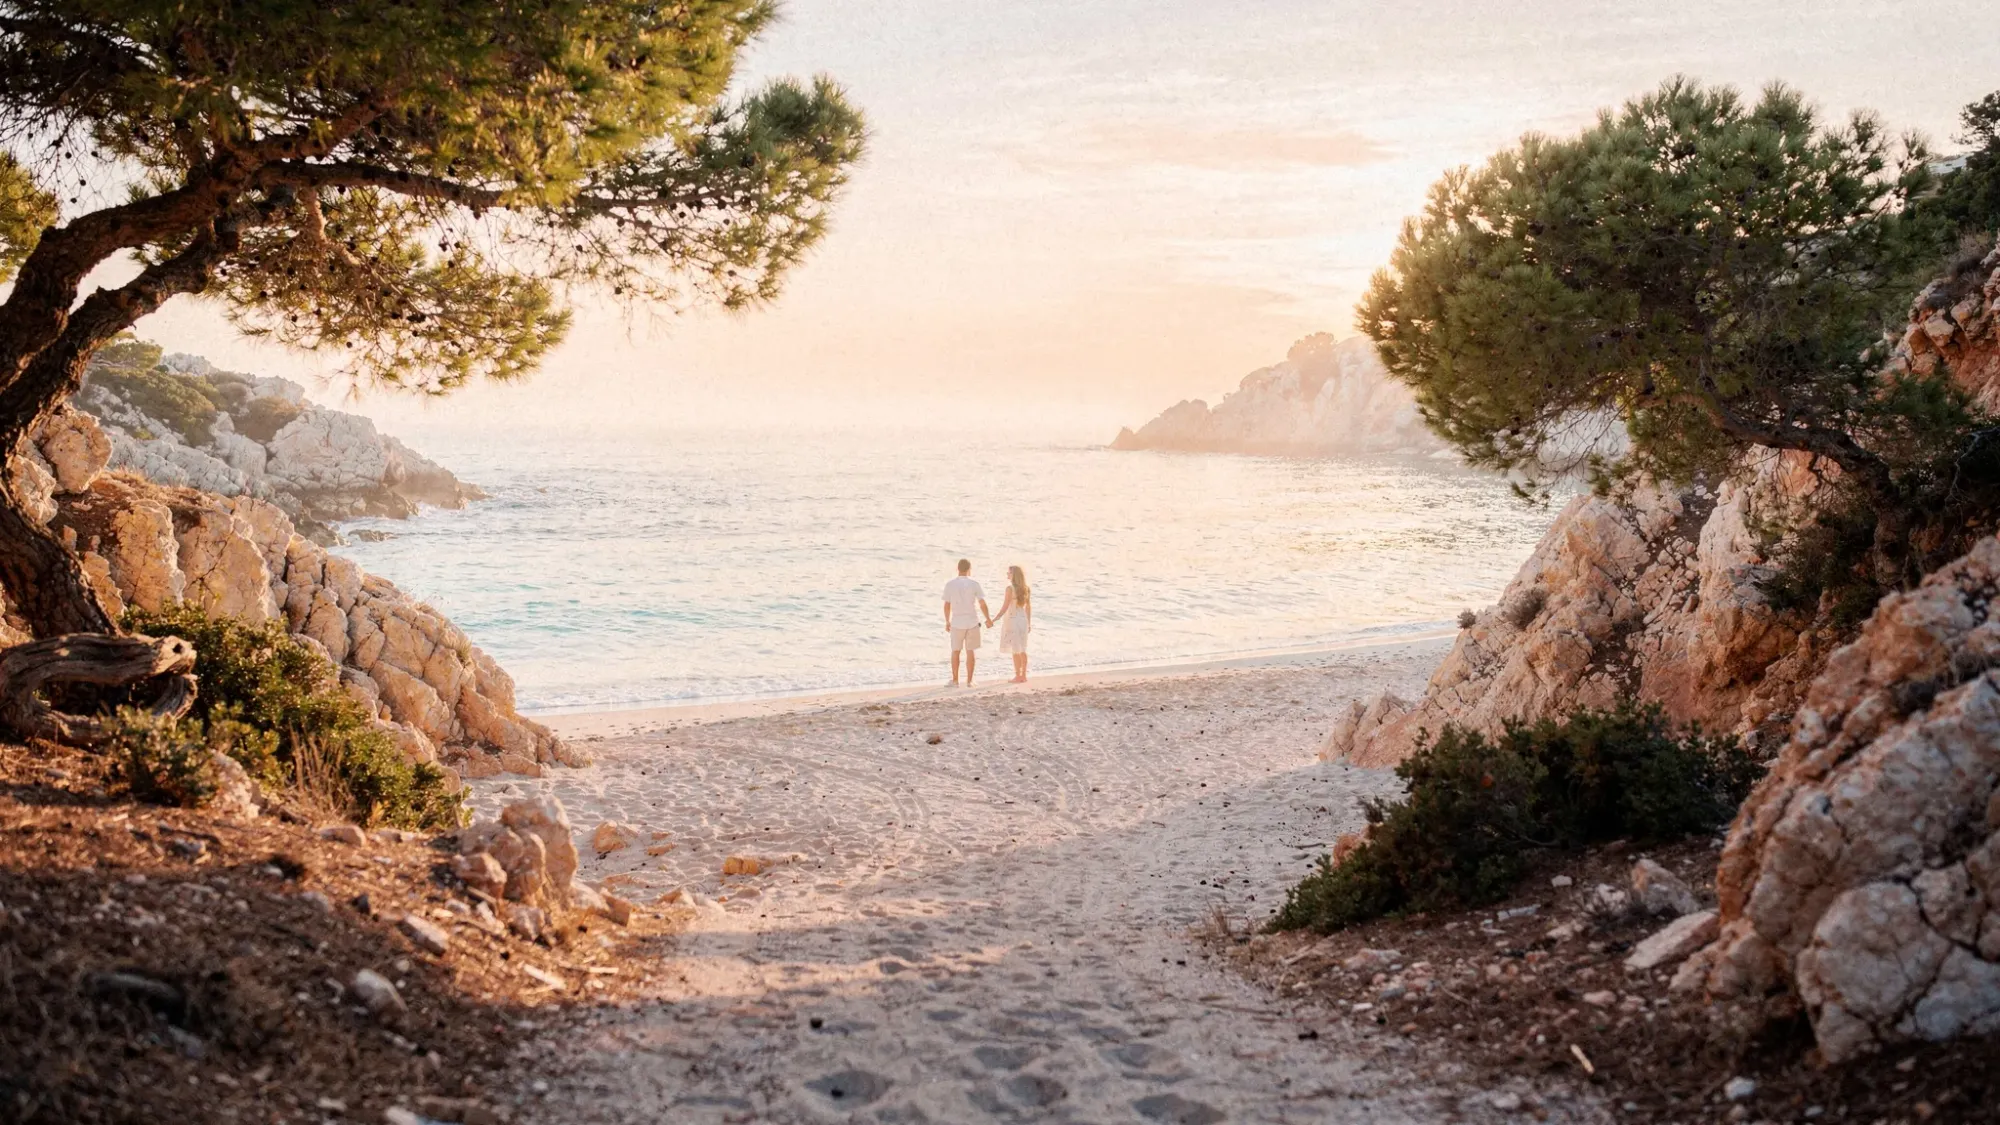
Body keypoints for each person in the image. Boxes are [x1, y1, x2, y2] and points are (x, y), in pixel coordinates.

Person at [942, 558, 991, 686]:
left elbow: (947, 605)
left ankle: (955, 680)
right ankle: (969, 681)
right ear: (969, 569)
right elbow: (982, 603)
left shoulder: (950, 584)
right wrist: (988, 618)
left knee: (955, 651)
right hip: (972, 621)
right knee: (970, 651)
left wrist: (947, 621)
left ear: (957, 569)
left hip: (957, 622)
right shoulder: (974, 584)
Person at [995, 565, 1032, 682]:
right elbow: (1028, 607)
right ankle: (1024, 675)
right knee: (1022, 648)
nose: (1007, 574)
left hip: (1013, 620)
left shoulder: (1010, 589)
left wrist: (995, 618)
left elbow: (1005, 606)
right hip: (1023, 620)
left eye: (1009, 573)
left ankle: (1017, 675)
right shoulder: (1026, 588)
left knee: (1015, 650)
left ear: (1014, 575)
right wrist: (1029, 623)